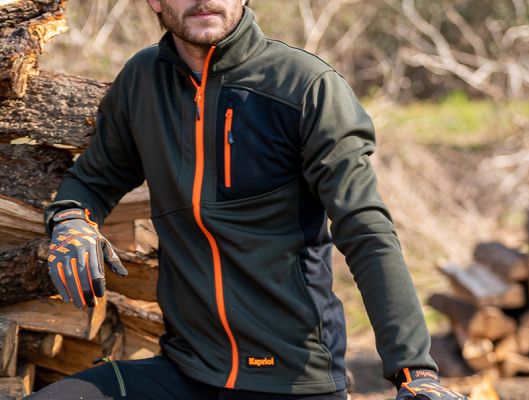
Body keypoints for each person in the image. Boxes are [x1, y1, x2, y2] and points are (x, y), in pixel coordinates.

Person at [27, 1, 468, 399]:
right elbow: (94, 178)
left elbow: (366, 231)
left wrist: (414, 370)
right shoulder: (143, 80)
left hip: (291, 379)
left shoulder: (305, 86)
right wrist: (71, 219)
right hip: (186, 370)